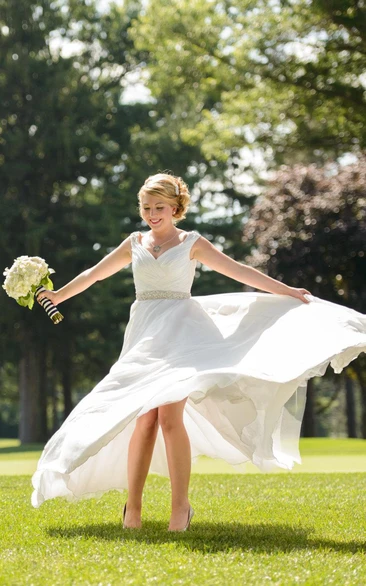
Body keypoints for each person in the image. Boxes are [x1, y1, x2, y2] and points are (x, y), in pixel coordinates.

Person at [33, 172, 366, 531]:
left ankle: (180, 508)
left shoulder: (191, 242)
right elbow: (94, 274)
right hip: (144, 336)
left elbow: (238, 270)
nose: (152, 213)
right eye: (146, 207)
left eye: (159, 206)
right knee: (142, 421)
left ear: (176, 208)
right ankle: (134, 509)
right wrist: (59, 294)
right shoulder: (135, 243)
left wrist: (285, 290)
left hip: (181, 335)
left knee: (168, 418)